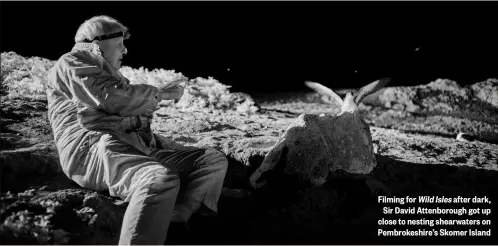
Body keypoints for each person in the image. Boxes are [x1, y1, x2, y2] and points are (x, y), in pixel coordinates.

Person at [45, 15, 228, 245]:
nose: (125, 51)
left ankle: (176, 218)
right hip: (94, 150)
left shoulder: (105, 74)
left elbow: (124, 109)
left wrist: (159, 131)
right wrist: (158, 94)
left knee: (211, 160)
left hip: (130, 148)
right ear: (97, 43)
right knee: (159, 180)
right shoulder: (72, 61)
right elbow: (111, 100)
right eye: (119, 44)